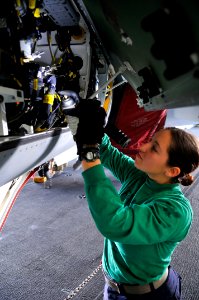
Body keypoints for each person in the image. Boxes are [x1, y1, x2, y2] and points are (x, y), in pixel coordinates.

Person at [70, 99, 199, 300]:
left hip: (149, 295)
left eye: (154, 148)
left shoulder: (175, 211)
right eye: (151, 140)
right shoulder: (140, 175)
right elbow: (107, 152)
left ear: (172, 170)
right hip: (113, 287)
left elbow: (115, 222)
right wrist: (90, 124)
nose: (143, 146)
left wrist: (88, 154)